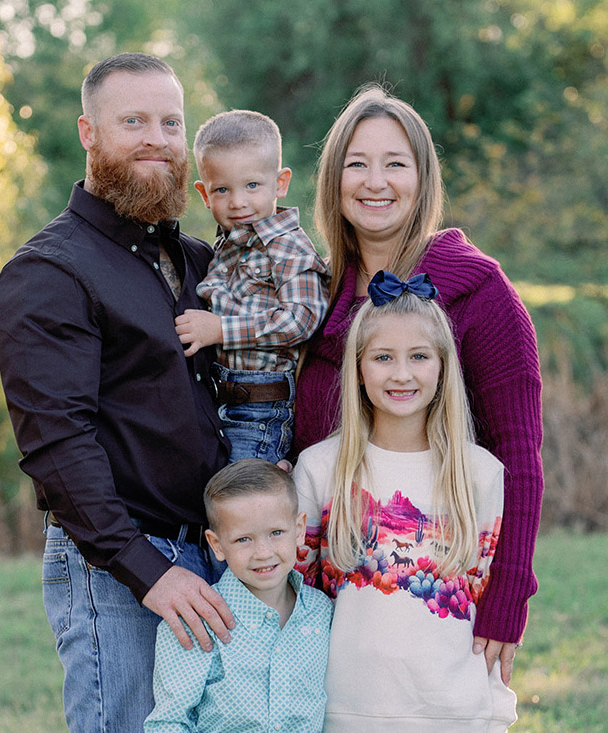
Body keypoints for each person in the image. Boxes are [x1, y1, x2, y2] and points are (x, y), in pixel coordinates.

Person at [0, 52, 236, 732]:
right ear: (89, 133)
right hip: (118, 568)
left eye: (170, 121)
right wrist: (149, 571)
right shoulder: (47, 274)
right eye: (133, 120)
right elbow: (58, 448)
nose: (156, 137)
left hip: (216, 556)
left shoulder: (197, 261)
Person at [292, 85, 544, 684]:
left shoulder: (481, 296)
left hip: (433, 600)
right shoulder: (310, 298)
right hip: (326, 601)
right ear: (333, 180)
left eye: (395, 164)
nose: (375, 181)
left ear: (423, 178)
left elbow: (519, 461)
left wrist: (508, 599)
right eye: (357, 164)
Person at [294, 273, 517, 731]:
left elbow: (485, 602)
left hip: (454, 714)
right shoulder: (319, 468)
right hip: (343, 711)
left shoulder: (479, 474)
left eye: (419, 356)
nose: (401, 373)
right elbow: (299, 601)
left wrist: (494, 713)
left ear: (442, 365)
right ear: (358, 368)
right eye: (382, 357)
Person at [175, 110, 329, 464]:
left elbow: (302, 318)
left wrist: (220, 330)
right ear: (204, 193)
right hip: (220, 401)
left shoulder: (288, 247)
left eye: (252, 186)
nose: (238, 202)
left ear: (281, 182)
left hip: (262, 411)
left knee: (242, 503)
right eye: (222, 189)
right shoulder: (227, 246)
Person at [145, 459, 333, 732]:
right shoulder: (198, 622)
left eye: (276, 533)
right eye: (244, 539)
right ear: (217, 545)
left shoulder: (320, 611)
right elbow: (168, 723)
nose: (263, 552)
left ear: (300, 530)